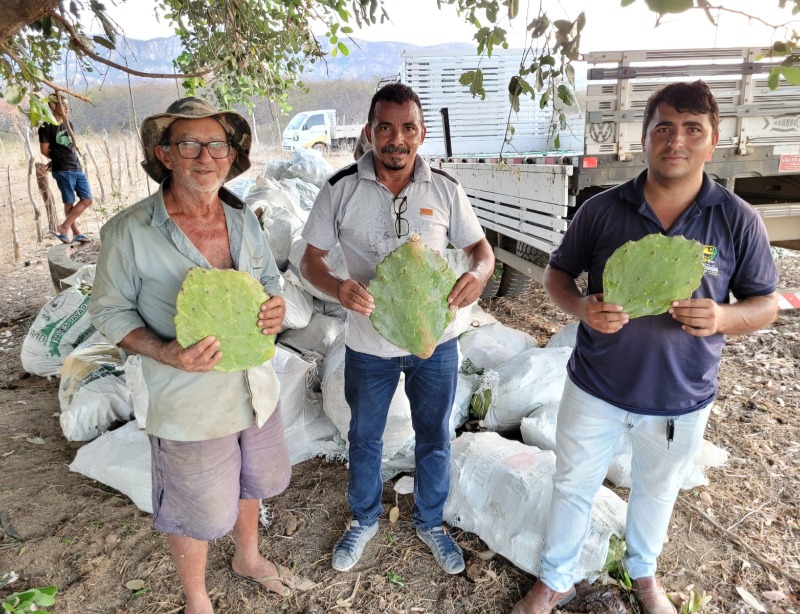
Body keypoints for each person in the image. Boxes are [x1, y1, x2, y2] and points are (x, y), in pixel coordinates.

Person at [513, 80, 779, 614]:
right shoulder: (602, 210)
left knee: (657, 491)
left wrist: (726, 315)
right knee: (571, 483)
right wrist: (581, 308)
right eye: (663, 128)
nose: (675, 141)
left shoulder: (736, 219)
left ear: (713, 139)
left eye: (691, 130)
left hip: (681, 399)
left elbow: (767, 303)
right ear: (644, 137)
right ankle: (554, 578)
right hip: (596, 386)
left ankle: (644, 575)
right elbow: (556, 275)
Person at [89, 97, 292, 614]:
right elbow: (109, 313)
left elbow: (269, 281)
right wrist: (164, 351)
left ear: (231, 155)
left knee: (253, 479)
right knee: (192, 508)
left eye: (217, 144)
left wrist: (274, 308)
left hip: (254, 387)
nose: (206, 155)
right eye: (189, 143)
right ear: (165, 154)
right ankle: (197, 600)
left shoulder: (243, 220)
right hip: (188, 399)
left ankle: (248, 556)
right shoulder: (129, 231)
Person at [300, 82, 494, 575]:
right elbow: (310, 262)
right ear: (369, 132)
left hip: (436, 342)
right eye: (385, 127)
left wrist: (477, 277)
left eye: (407, 128)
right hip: (368, 345)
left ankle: (431, 521)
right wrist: (338, 287)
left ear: (421, 133)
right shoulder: (340, 188)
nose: (396, 139)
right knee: (364, 437)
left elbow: (481, 252)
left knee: (435, 434)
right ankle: (363, 518)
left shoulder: (446, 189)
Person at [38, 93, 93, 244]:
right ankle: (75, 232)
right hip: (62, 169)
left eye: (67, 105)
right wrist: (57, 158)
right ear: (53, 106)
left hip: (76, 166)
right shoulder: (46, 126)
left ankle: (64, 227)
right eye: (63, 105)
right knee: (69, 201)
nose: (67, 107)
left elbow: (70, 147)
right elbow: (44, 150)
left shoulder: (68, 124)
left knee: (87, 199)